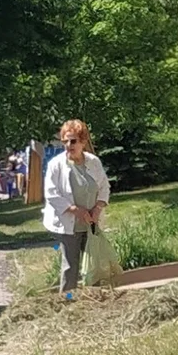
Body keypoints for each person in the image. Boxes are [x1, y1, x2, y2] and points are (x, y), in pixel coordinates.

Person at [42, 119, 111, 294]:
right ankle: (68, 300)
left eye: (73, 141)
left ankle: (95, 300)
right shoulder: (56, 165)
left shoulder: (93, 162)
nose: (68, 145)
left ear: (83, 141)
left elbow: (104, 187)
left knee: (94, 264)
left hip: (91, 223)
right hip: (68, 224)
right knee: (70, 266)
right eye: (65, 141)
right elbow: (51, 193)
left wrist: (98, 208)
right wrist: (75, 210)